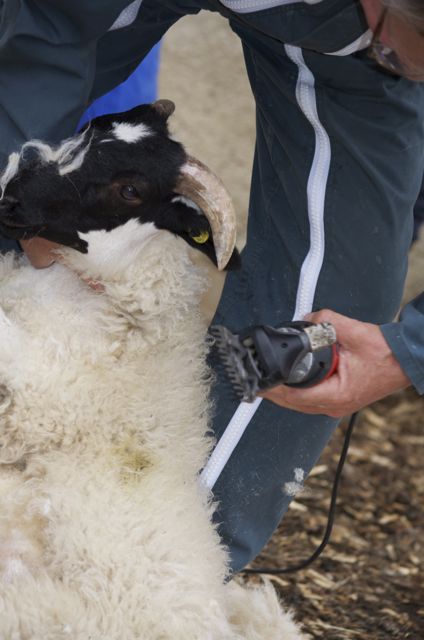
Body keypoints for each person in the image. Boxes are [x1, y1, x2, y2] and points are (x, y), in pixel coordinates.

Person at [0, 0, 423, 575]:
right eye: (394, 48)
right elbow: (46, 29)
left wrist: (409, 350)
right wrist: (17, 191)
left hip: (346, 62)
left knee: (329, 316)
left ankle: (156, 586)